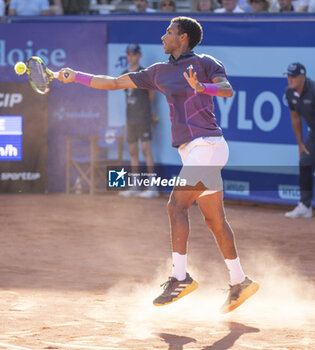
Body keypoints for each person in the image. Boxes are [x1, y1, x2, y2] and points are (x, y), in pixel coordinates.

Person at [58, 16, 259, 313]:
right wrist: (76, 76)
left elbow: (227, 89)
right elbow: (114, 83)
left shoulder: (206, 63)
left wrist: (203, 88)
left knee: (175, 206)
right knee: (214, 220)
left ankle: (180, 277)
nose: (163, 36)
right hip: (197, 152)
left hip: (207, 146)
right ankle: (240, 281)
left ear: (184, 38)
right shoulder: (158, 72)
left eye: (169, 32)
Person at [120, 43, 158, 199]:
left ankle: (152, 187)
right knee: (132, 151)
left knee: (145, 150)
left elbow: (151, 94)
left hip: (143, 117)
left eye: (133, 54)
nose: (130, 57)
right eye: (128, 54)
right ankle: (135, 185)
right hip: (130, 118)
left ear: (139, 55)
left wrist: (147, 112)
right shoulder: (123, 74)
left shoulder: (144, 73)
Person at [284, 63, 315, 218]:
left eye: (293, 76)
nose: (290, 79)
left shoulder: (314, 90)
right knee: (305, 162)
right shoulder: (289, 93)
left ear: (303, 77)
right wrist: (301, 144)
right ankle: (305, 206)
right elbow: (295, 117)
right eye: (288, 75)